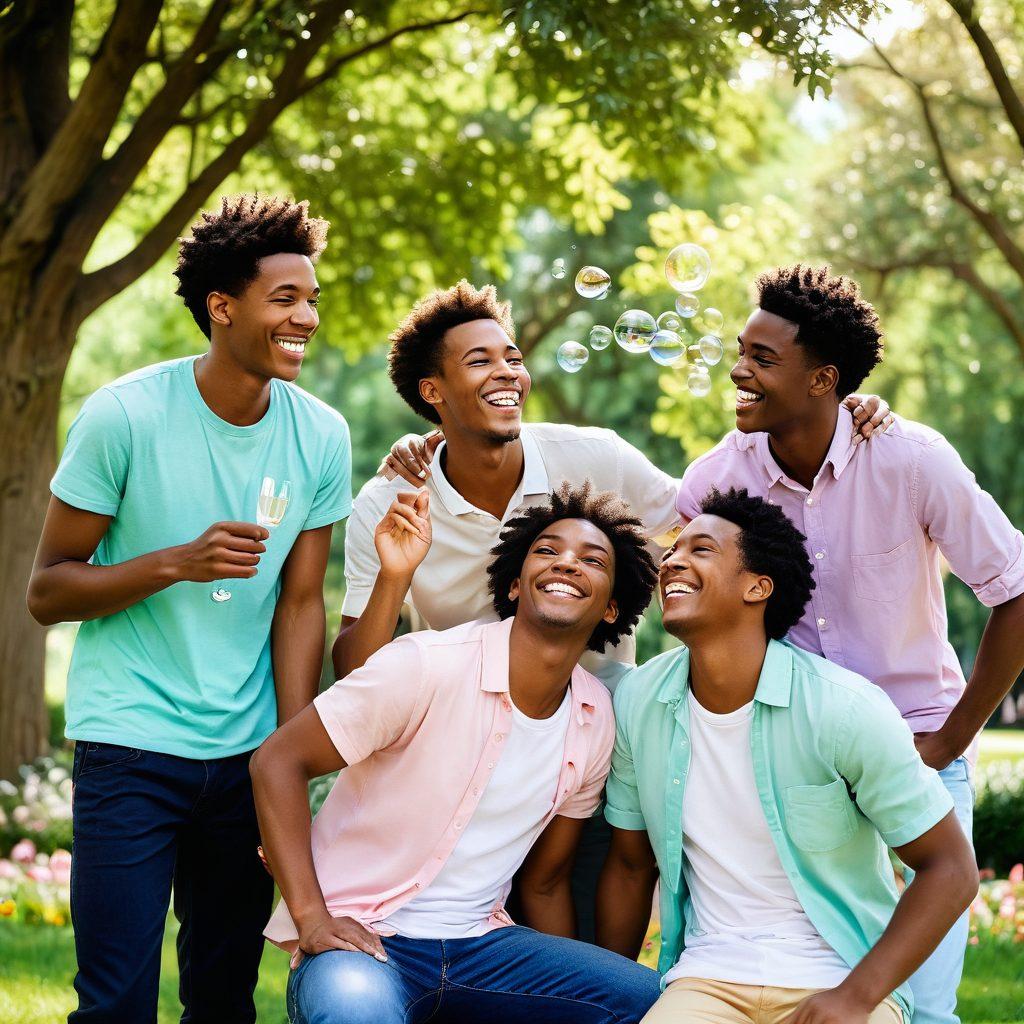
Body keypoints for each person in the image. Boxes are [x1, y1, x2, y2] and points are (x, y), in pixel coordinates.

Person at [337, 279, 890, 939]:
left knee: (582, 937)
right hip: (459, 758)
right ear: (433, 391)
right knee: (455, 940)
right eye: (480, 361)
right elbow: (355, 672)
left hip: (592, 748)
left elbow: (713, 526)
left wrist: (827, 415)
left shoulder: (595, 458)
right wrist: (395, 576)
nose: (509, 372)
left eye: (513, 357)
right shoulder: (390, 503)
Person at [27, 195, 352, 1024]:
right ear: (222, 306)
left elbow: (301, 603)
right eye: (286, 298)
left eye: (312, 299)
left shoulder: (320, 435)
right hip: (129, 745)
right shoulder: (124, 415)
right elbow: (48, 589)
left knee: (224, 1000)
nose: (307, 318)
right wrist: (176, 562)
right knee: (116, 1002)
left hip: (246, 757)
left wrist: (287, 756)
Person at [674, 264, 1024, 1024]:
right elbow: (671, 582)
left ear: (823, 379)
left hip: (919, 751)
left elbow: (1016, 592)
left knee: (926, 1007)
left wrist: (953, 736)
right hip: (795, 762)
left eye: (764, 358)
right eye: (741, 352)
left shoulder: (912, 459)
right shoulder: (715, 482)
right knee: (810, 987)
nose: (739, 371)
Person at [251, 483, 663, 1024]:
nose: (566, 562)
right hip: (365, 942)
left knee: (657, 1003)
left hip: (483, 947)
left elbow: (544, 883)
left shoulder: (594, 718)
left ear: (612, 607)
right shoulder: (427, 665)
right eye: (547, 550)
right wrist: (311, 916)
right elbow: (277, 760)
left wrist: (569, 994)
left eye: (592, 560)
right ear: (514, 584)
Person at [598, 487, 978, 1024]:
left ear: (758, 586)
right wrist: (608, 992)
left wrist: (856, 998)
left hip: (840, 978)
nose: (672, 561)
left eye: (701, 549)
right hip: (706, 979)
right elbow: (630, 866)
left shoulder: (842, 709)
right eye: (674, 549)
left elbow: (952, 868)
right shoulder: (639, 701)